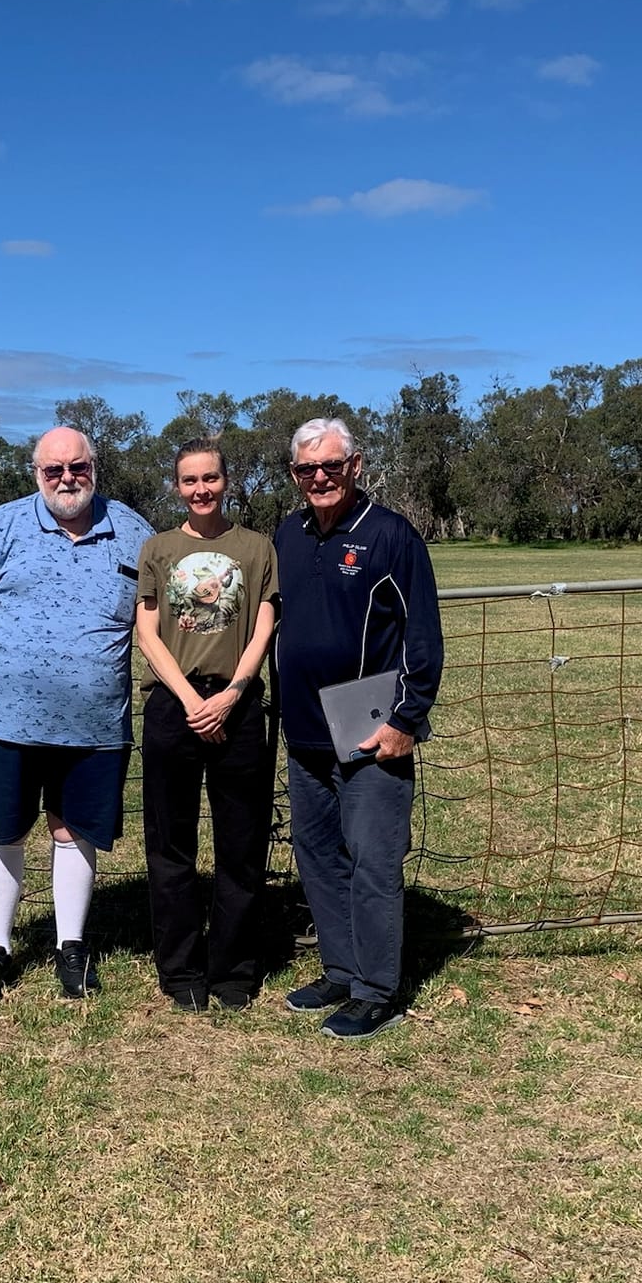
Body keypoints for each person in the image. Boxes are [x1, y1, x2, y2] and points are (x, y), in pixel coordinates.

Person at [0, 425, 153, 1004]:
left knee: (75, 832)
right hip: (4, 719)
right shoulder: (3, 525)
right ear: (36, 473)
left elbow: (160, 617)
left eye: (78, 467)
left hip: (94, 724)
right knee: (3, 830)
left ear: (96, 467)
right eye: (53, 470)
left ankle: (71, 947)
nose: (67, 479)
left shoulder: (133, 531)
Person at [272, 417, 443, 1041]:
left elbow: (423, 636)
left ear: (356, 466)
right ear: (294, 474)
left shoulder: (393, 536)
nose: (320, 477)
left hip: (371, 734)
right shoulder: (287, 535)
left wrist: (407, 719)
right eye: (306, 469)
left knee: (373, 861)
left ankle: (378, 990)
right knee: (317, 855)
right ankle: (341, 970)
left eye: (332, 466)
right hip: (306, 733)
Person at [133, 439, 278, 1011]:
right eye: (190, 481)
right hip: (175, 705)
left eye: (210, 479)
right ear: (177, 487)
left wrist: (233, 694)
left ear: (226, 481)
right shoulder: (158, 549)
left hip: (237, 708)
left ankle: (234, 970)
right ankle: (180, 968)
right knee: (171, 846)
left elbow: (264, 624)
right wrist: (193, 700)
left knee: (240, 844)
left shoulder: (256, 548)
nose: (201, 490)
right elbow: (148, 632)